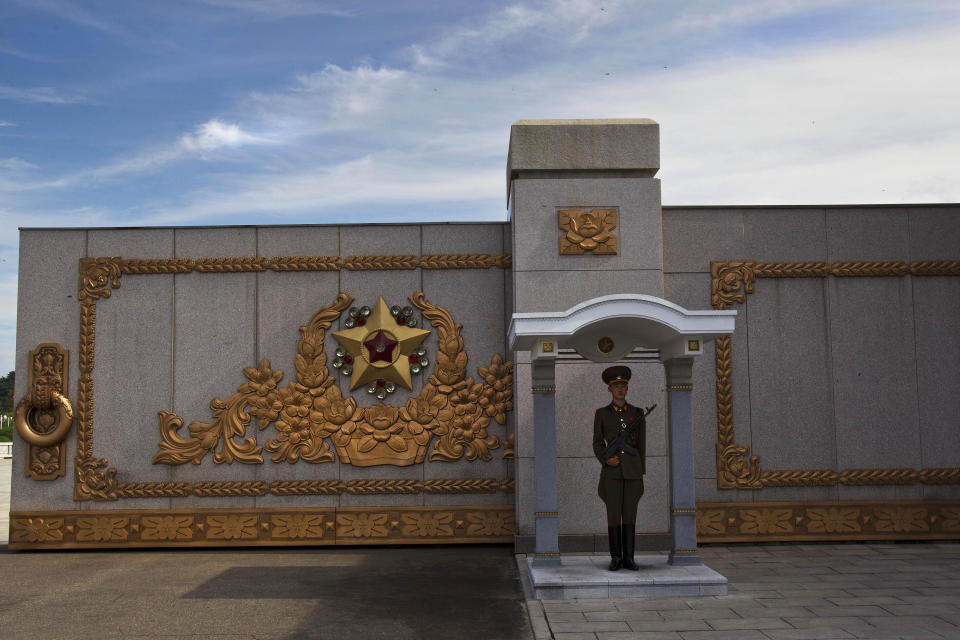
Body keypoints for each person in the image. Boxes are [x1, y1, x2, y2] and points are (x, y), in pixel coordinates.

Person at [592, 365, 645, 571]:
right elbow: (597, 442)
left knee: (630, 514)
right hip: (612, 473)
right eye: (616, 386)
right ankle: (615, 557)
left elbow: (642, 445)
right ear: (609, 389)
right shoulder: (602, 414)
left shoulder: (637, 413)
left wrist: (640, 470)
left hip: (632, 472)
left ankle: (629, 557)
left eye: (623, 385)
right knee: (614, 514)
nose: (620, 389)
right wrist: (606, 460)